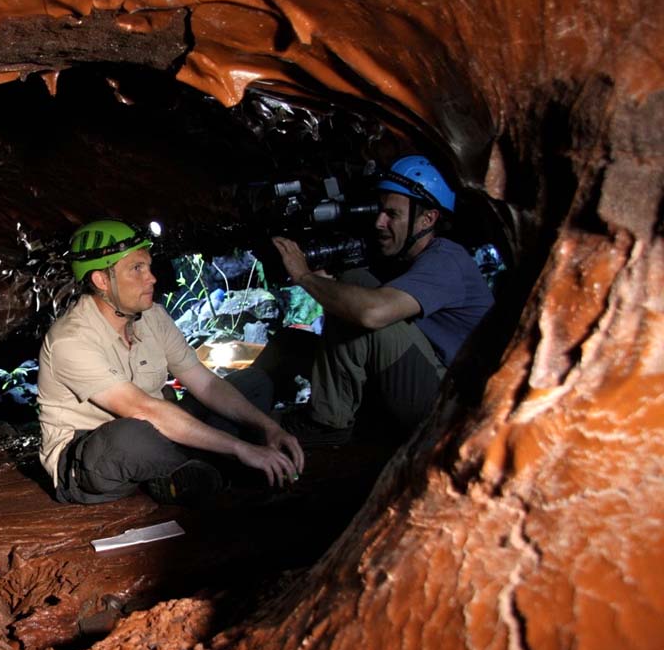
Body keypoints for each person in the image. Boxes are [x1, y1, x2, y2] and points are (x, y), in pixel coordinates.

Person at [38, 220, 304, 505]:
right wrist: (239, 448)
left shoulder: (153, 317)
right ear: (102, 281)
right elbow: (142, 410)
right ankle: (210, 469)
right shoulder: (70, 339)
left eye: (148, 267)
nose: (151, 278)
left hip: (159, 430)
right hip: (93, 458)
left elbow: (206, 383)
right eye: (136, 269)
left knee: (252, 383)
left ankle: (189, 472)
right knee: (131, 434)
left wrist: (268, 428)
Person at [271, 155, 494, 445]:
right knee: (290, 343)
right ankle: (255, 406)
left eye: (393, 214)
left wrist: (304, 276)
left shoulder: (446, 259)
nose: (379, 222)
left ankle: (327, 423)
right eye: (380, 211)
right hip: (430, 384)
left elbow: (372, 314)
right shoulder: (405, 258)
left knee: (359, 291)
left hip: (453, 406)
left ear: (428, 218)